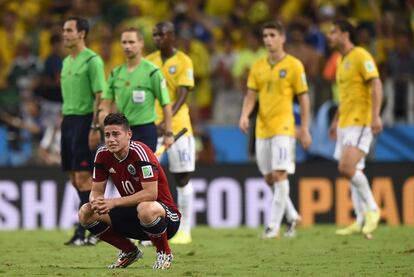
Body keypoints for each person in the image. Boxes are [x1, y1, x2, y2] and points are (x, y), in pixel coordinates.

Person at [239, 20, 312, 239]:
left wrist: (305, 128)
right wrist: (244, 115)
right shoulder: (258, 66)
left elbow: (304, 99)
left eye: (272, 35)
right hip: (262, 129)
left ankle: (273, 226)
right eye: (265, 36)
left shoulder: (294, 65)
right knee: (270, 178)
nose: (268, 40)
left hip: (284, 128)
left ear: (282, 38)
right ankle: (293, 216)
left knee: (280, 175)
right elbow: (251, 95)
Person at [79, 113, 180, 269]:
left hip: (166, 219)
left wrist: (113, 202)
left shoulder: (141, 152)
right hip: (134, 216)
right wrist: (96, 201)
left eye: (116, 134)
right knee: (86, 212)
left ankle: (164, 253)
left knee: (145, 207)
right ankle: (129, 251)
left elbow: (150, 194)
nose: (111, 139)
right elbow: (96, 191)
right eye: (107, 135)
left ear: (128, 134)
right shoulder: (102, 154)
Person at [327, 19, 382, 236]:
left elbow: (376, 84)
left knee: (346, 167)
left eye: (333, 32)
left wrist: (375, 116)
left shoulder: (361, 55)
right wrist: (334, 122)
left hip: (360, 121)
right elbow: (346, 96)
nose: (330, 36)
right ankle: (359, 219)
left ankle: (373, 209)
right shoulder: (341, 61)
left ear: (345, 34)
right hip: (344, 123)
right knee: (353, 171)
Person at [146, 21, 195, 244]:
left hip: (178, 128)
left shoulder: (184, 61)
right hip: (152, 127)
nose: (158, 38)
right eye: (155, 34)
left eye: (162, 34)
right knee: (146, 178)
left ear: (172, 36)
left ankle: (185, 230)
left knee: (182, 177)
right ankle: (147, 230)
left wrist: (167, 120)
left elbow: (183, 94)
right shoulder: (149, 61)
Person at [60, 16, 106, 245]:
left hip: (85, 121)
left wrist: (95, 126)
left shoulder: (93, 61)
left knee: (83, 177)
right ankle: (88, 226)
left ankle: (90, 229)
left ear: (82, 33)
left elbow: (100, 95)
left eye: (69, 30)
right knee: (72, 177)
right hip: (68, 122)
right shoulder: (67, 61)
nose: (64, 34)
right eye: (64, 30)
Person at [99, 27, 173, 152]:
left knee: (144, 171)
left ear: (141, 43)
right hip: (122, 131)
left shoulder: (152, 72)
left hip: (145, 131)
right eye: (124, 42)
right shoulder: (115, 73)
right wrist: (105, 123)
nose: (127, 46)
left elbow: (166, 104)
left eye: (131, 42)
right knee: (123, 171)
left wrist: (169, 133)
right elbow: (104, 106)